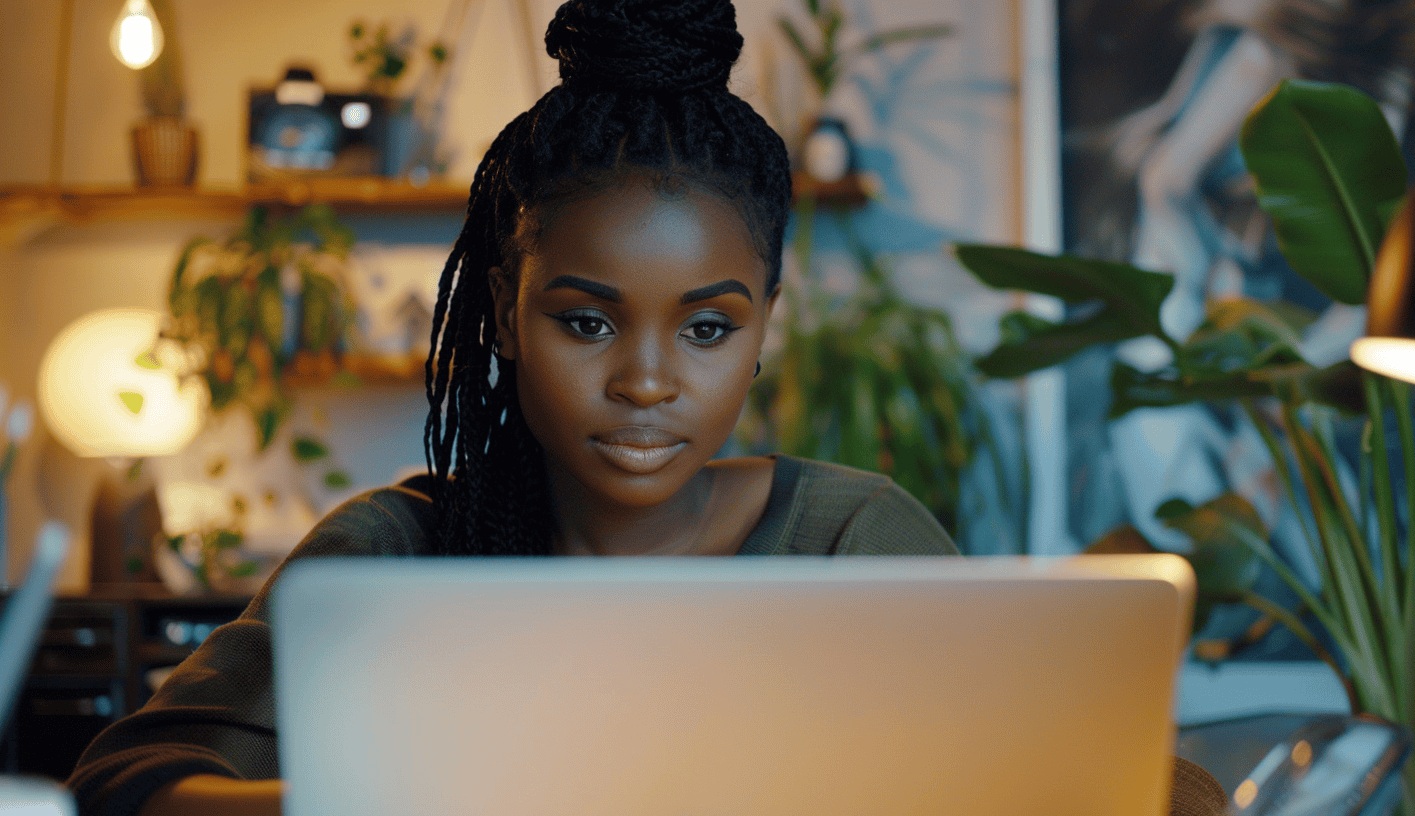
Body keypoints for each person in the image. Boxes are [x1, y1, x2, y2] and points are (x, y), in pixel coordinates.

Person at [65, 2, 958, 814]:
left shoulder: (856, 546)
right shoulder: (397, 553)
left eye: (708, 330)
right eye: (585, 321)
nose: (645, 382)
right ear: (504, 313)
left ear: (765, 324)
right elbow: (117, 788)